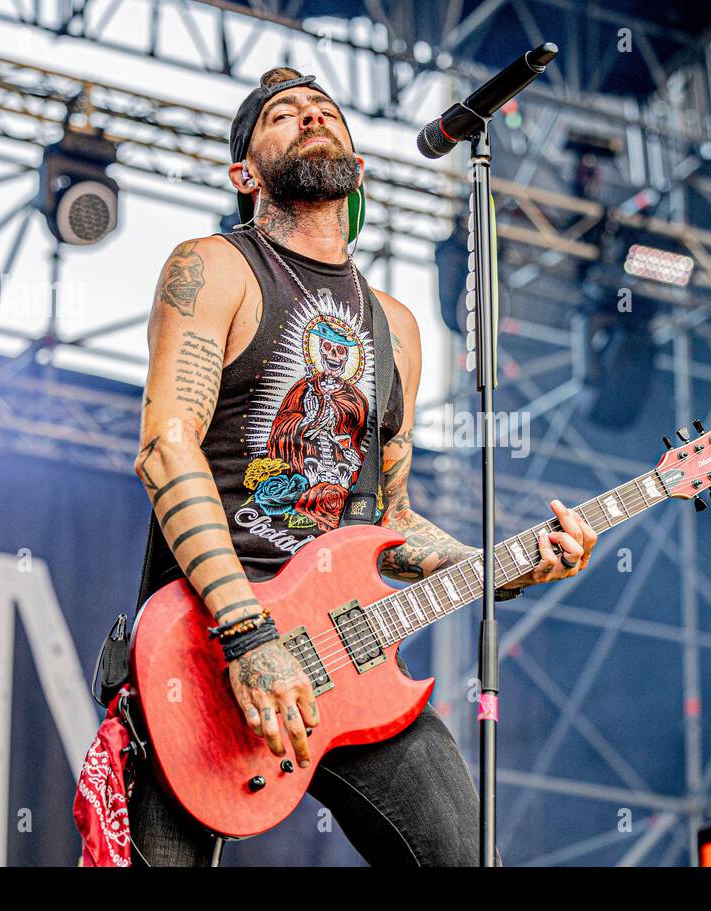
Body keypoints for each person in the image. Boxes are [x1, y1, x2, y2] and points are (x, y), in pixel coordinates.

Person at [128, 66, 598, 866]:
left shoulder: (398, 329)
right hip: (207, 646)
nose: (311, 116)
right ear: (244, 172)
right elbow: (166, 449)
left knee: (458, 856)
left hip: (349, 652)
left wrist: (507, 567)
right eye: (283, 115)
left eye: (325, 111)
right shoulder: (213, 268)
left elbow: (389, 521)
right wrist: (249, 635)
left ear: (359, 167)